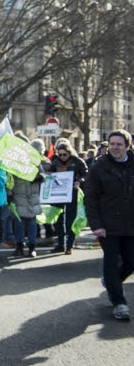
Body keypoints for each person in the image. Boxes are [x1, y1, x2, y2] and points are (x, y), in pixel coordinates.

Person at [85, 129, 134, 321]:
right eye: (112, 144)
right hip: (108, 224)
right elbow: (90, 197)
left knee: (131, 261)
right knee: (111, 262)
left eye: (119, 144)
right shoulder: (99, 167)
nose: (114, 147)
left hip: (131, 223)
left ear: (127, 146)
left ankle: (111, 282)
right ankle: (119, 303)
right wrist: (96, 224)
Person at [11, 138, 49, 258]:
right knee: (19, 223)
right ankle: (19, 246)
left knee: (32, 223)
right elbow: (9, 179)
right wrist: (9, 195)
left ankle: (32, 247)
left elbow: (43, 175)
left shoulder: (34, 160)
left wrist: (37, 178)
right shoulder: (12, 161)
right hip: (19, 196)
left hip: (32, 196)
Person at [49, 139, 88, 255]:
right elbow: (49, 174)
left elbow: (86, 174)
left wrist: (79, 182)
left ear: (70, 152)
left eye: (64, 154)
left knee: (71, 220)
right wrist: (48, 176)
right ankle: (60, 244)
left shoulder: (78, 161)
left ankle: (69, 245)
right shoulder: (55, 162)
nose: (62, 157)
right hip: (58, 195)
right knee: (58, 221)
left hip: (72, 194)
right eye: (60, 154)